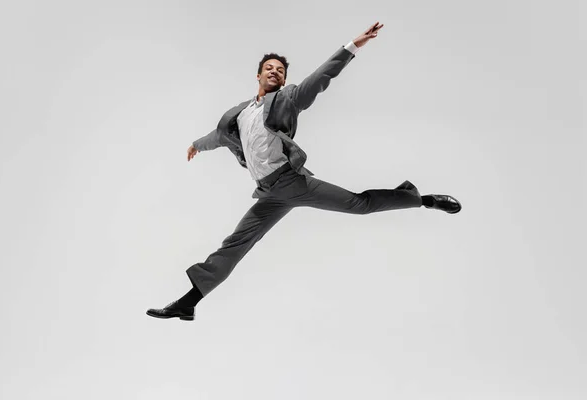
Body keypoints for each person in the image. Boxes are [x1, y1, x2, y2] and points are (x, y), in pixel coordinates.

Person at [147, 22, 461, 321]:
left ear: (282, 81)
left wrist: (353, 46)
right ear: (258, 75)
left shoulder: (287, 98)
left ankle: (420, 199)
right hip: (270, 193)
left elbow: (320, 77)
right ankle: (188, 304)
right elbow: (217, 137)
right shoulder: (238, 115)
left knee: (359, 204)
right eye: (269, 68)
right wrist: (196, 145)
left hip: (291, 182)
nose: (275, 72)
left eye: (280, 71)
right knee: (235, 243)